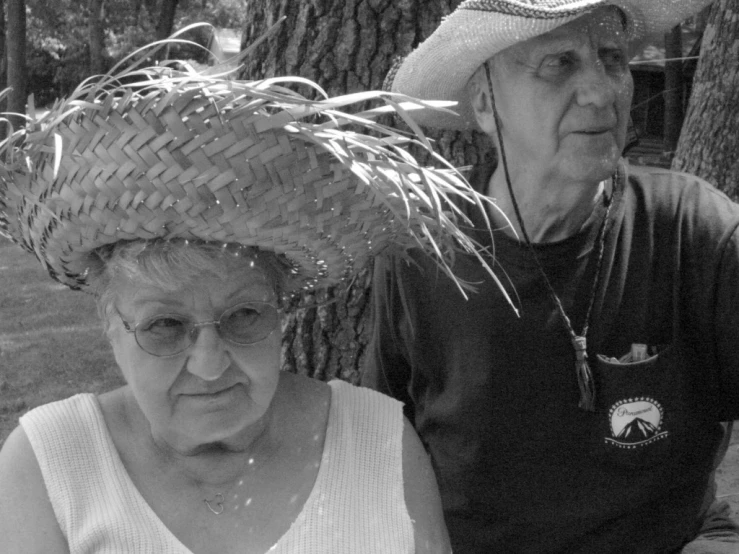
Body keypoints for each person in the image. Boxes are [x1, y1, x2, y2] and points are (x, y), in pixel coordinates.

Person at [0, 54, 492, 553]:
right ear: (110, 324)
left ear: (281, 310)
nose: (211, 364)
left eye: (243, 316)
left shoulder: (380, 442)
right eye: (165, 325)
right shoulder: (48, 467)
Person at [363, 0, 739, 552]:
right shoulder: (421, 249)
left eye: (611, 58)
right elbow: (387, 443)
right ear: (487, 104)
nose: (602, 91)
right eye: (559, 63)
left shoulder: (691, 229)